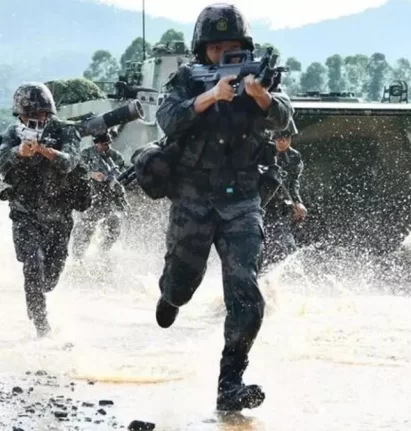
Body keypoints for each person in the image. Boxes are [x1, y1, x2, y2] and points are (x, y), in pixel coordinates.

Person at [133, 3, 293, 412]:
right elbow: (168, 118)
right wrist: (209, 97)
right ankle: (170, 296)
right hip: (193, 199)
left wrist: (260, 97)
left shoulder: (261, 79)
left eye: (232, 47)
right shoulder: (188, 80)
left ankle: (230, 385)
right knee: (183, 282)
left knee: (245, 291)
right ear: (202, 50)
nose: (224, 54)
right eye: (216, 48)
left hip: (242, 202)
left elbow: (286, 122)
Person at [0, 82, 87, 337]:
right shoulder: (13, 133)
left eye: (39, 114)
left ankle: (38, 299)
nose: (35, 120)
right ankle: (41, 324)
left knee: (50, 278)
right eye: (28, 116)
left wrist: (45, 151)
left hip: (59, 214)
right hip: (25, 212)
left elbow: (70, 162)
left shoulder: (65, 131)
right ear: (20, 116)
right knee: (33, 264)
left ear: (48, 112)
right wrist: (19, 151)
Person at [71, 131, 129, 260]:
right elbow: (75, 171)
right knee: (85, 228)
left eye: (109, 144)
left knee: (115, 224)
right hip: (90, 197)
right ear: (96, 143)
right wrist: (92, 174)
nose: (107, 147)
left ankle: (103, 253)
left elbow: (123, 173)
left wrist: (116, 182)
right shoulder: (86, 154)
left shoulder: (116, 156)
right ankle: (77, 258)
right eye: (104, 144)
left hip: (109, 198)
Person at [261, 118, 307, 269]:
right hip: (259, 205)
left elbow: (293, 182)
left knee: (287, 246)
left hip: (279, 207)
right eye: (278, 137)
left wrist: (298, 202)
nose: (282, 141)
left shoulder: (294, 157)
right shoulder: (260, 152)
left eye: (287, 137)